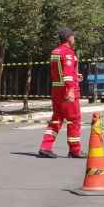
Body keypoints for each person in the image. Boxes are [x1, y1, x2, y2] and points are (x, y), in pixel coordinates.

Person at [38, 27, 86, 158]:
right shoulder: (68, 52)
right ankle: (75, 151)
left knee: (56, 120)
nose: (74, 38)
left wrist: (76, 76)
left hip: (57, 92)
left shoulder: (55, 51)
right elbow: (66, 74)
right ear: (70, 39)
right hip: (67, 93)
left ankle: (45, 147)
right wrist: (71, 89)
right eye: (73, 37)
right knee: (74, 121)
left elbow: (61, 73)